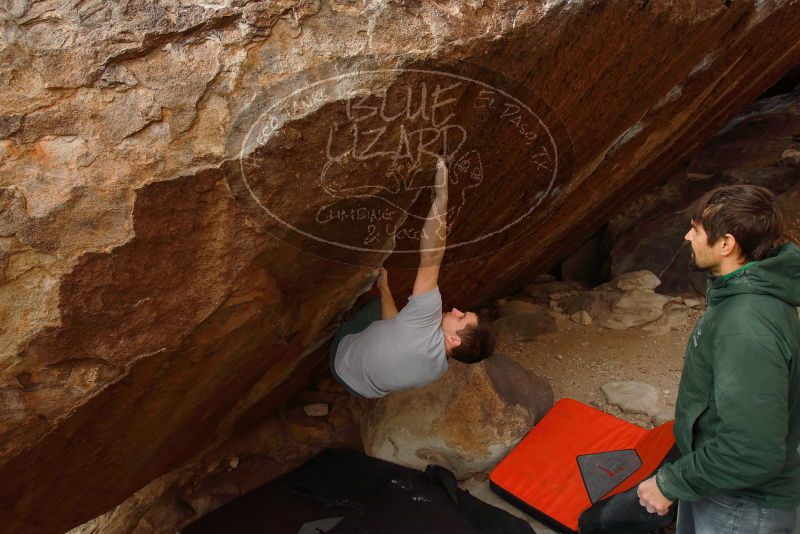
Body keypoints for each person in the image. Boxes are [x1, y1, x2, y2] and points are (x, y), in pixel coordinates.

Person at [637, 185, 800, 533]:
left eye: (696, 229)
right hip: (721, 485)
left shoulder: (746, 325)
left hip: (743, 505)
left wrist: (670, 483)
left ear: (726, 244)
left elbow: (752, 449)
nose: (687, 236)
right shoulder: (743, 295)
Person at [329, 156, 496, 399]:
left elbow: (431, 257)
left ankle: (337, 327)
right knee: (385, 306)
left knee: (372, 306)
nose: (457, 309)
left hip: (340, 361)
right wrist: (385, 289)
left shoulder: (427, 317)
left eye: (461, 318)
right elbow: (399, 330)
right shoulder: (437, 371)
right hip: (363, 391)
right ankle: (380, 297)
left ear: (453, 340)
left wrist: (442, 198)